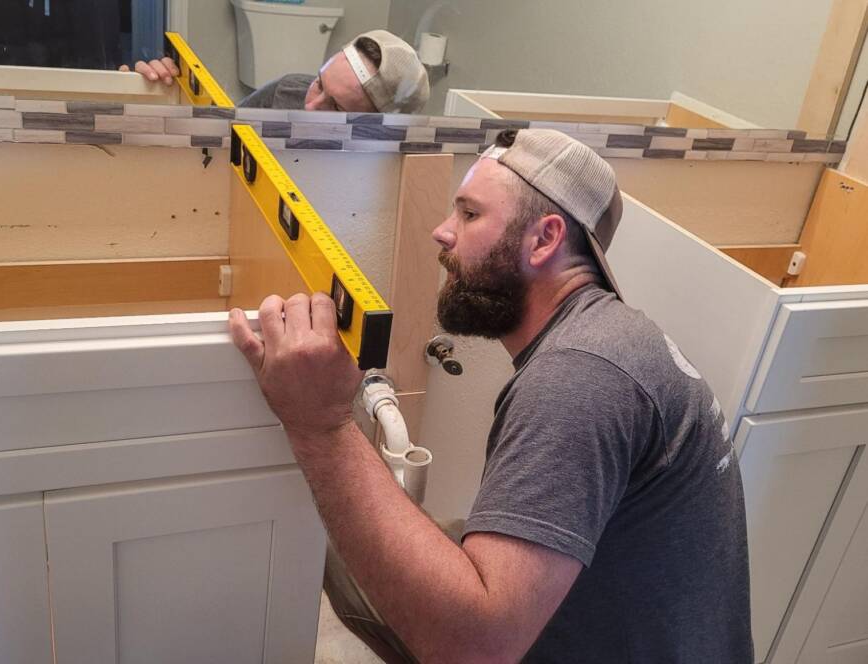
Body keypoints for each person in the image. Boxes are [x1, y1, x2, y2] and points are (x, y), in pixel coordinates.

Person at [228, 128, 754, 663]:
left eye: (469, 214)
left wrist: (322, 425)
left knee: (348, 544)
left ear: (544, 240)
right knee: (353, 538)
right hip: (615, 626)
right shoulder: (609, 337)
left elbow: (477, 650)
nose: (442, 231)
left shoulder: (580, 377)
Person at [122, 29, 429, 113]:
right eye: (320, 83)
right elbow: (221, 137)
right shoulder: (289, 90)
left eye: (336, 107)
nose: (310, 106)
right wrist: (155, 95)